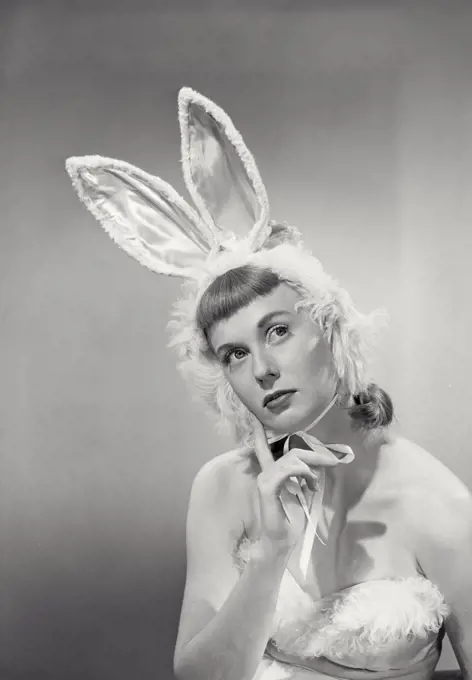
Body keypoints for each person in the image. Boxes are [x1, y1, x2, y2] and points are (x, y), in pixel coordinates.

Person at [65, 88, 472, 680]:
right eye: (234, 353)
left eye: (277, 331)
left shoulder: (439, 505)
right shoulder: (221, 489)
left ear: (331, 327)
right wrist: (269, 556)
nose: (260, 368)